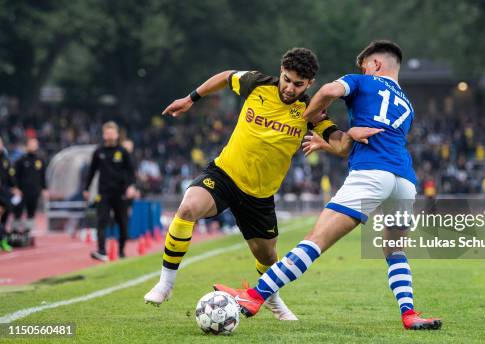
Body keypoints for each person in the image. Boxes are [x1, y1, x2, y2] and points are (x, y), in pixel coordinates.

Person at [215, 40, 442, 330]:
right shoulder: (407, 105)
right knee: (395, 250)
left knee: (315, 240)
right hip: (405, 181)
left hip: (371, 173)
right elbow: (359, 142)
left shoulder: (362, 81)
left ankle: (253, 297)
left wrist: (308, 116)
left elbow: (327, 91)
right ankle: (409, 314)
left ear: (375, 65)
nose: (361, 70)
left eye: (364, 66)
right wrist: (331, 142)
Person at [143, 48, 379, 321]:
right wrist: (190, 98)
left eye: (298, 84)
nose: (290, 88)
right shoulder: (256, 83)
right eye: (287, 79)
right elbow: (225, 76)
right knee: (187, 208)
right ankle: (166, 284)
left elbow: (340, 146)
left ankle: (273, 299)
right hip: (225, 175)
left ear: (310, 84)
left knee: (267, 257)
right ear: (281, 71)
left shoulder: (310, 109)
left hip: (260, 195)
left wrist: (346, 135)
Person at [83, 121, 137, 261]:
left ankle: (121, 251)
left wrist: (131, 186)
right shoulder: (98, 152)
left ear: (117, 134)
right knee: (101, 221)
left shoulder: (123, 152)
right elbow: (92, 171)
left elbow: (131, 171)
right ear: (104, 135)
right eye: (107, 133)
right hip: (104, 193)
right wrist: (86, 188)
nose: (110, 135)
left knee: (122, 223)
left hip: (120, 193)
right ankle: (101, 251)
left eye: (112, 132)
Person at [13, 138, 48, 232]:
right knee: (18, 212)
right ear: (27, 145)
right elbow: (15, 176)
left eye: (35, 144)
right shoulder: (20, 160)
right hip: (22, 192)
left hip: (34, 192)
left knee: (31, 213)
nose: (34, 146)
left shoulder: (40, 160)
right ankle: (15, 233)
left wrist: (44, 189)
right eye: (32, 144)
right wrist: (16, 188)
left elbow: (43, 176)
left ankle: (28, 234)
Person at [0, 137, 21, 252]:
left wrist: (15, 187)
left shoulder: (6, 159)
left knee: (5, 216)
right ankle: (2, 241)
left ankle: (2, 240)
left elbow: (10, 175)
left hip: (4, 193)